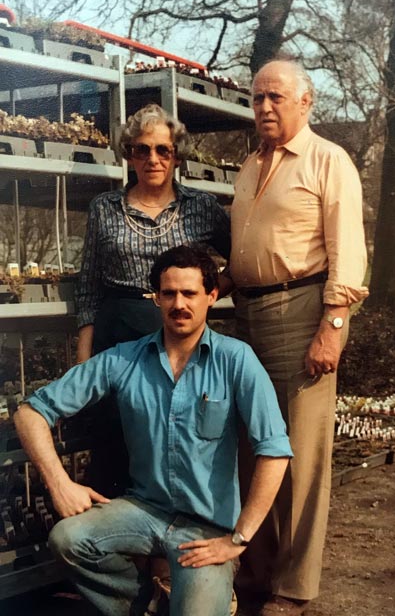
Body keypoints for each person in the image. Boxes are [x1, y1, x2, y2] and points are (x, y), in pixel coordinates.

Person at [14, 245, 292, 616]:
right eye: (169, 293)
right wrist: (60, 483)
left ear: (211, 296)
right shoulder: (124, 358)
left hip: (205, 530)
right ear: (156, 298)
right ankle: (147, 603)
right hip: (143, 510)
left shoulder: (235, 359)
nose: (179, 304)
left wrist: (238, 539)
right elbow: (30, 411)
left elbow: (274, 449)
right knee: (68, 538)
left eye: (190, 293)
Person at [230, 60, 369, 615]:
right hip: (247, 315)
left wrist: (332, 329)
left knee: (303, 453)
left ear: (305, 102)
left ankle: (294, 586)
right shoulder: (248, 166)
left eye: (275, 97)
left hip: (304, 311)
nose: (264, 107)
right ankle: (258, 570)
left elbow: (348, 252)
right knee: (252, 446)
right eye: (257, 97)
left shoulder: (328, 160)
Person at [75, 103, 231, 497]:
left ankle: (174, 542)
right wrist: (84, 360)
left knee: (175, 434)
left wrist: (206, 297)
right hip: (119, 335)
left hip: (178, 334)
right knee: (115, 438)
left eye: (163, 150)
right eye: (141, 149)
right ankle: (116, 544)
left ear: (177, 155)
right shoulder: (104, 209)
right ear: (128, 155)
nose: (153, 159)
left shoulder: (202, 207)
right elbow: (89, 285)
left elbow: (239, 261)